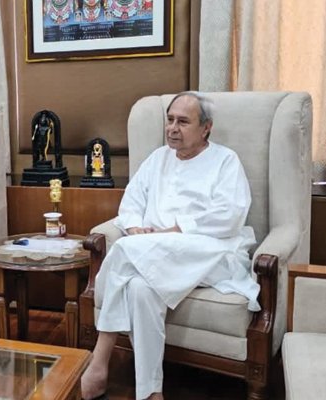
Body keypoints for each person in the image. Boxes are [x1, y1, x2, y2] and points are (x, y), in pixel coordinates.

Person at [80, 91, 260, 400]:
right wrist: (135, 228)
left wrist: (175, 229)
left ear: (206, 128)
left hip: (208, 252)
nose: (172, 128)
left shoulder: (225, 161)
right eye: (170, 120)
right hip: (153, 252)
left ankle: (100, 359)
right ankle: (152, 392)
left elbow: (230, 216)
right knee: (139, 289)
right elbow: (131, 203)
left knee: (123, 249)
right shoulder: (157, 159)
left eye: (183, 122)